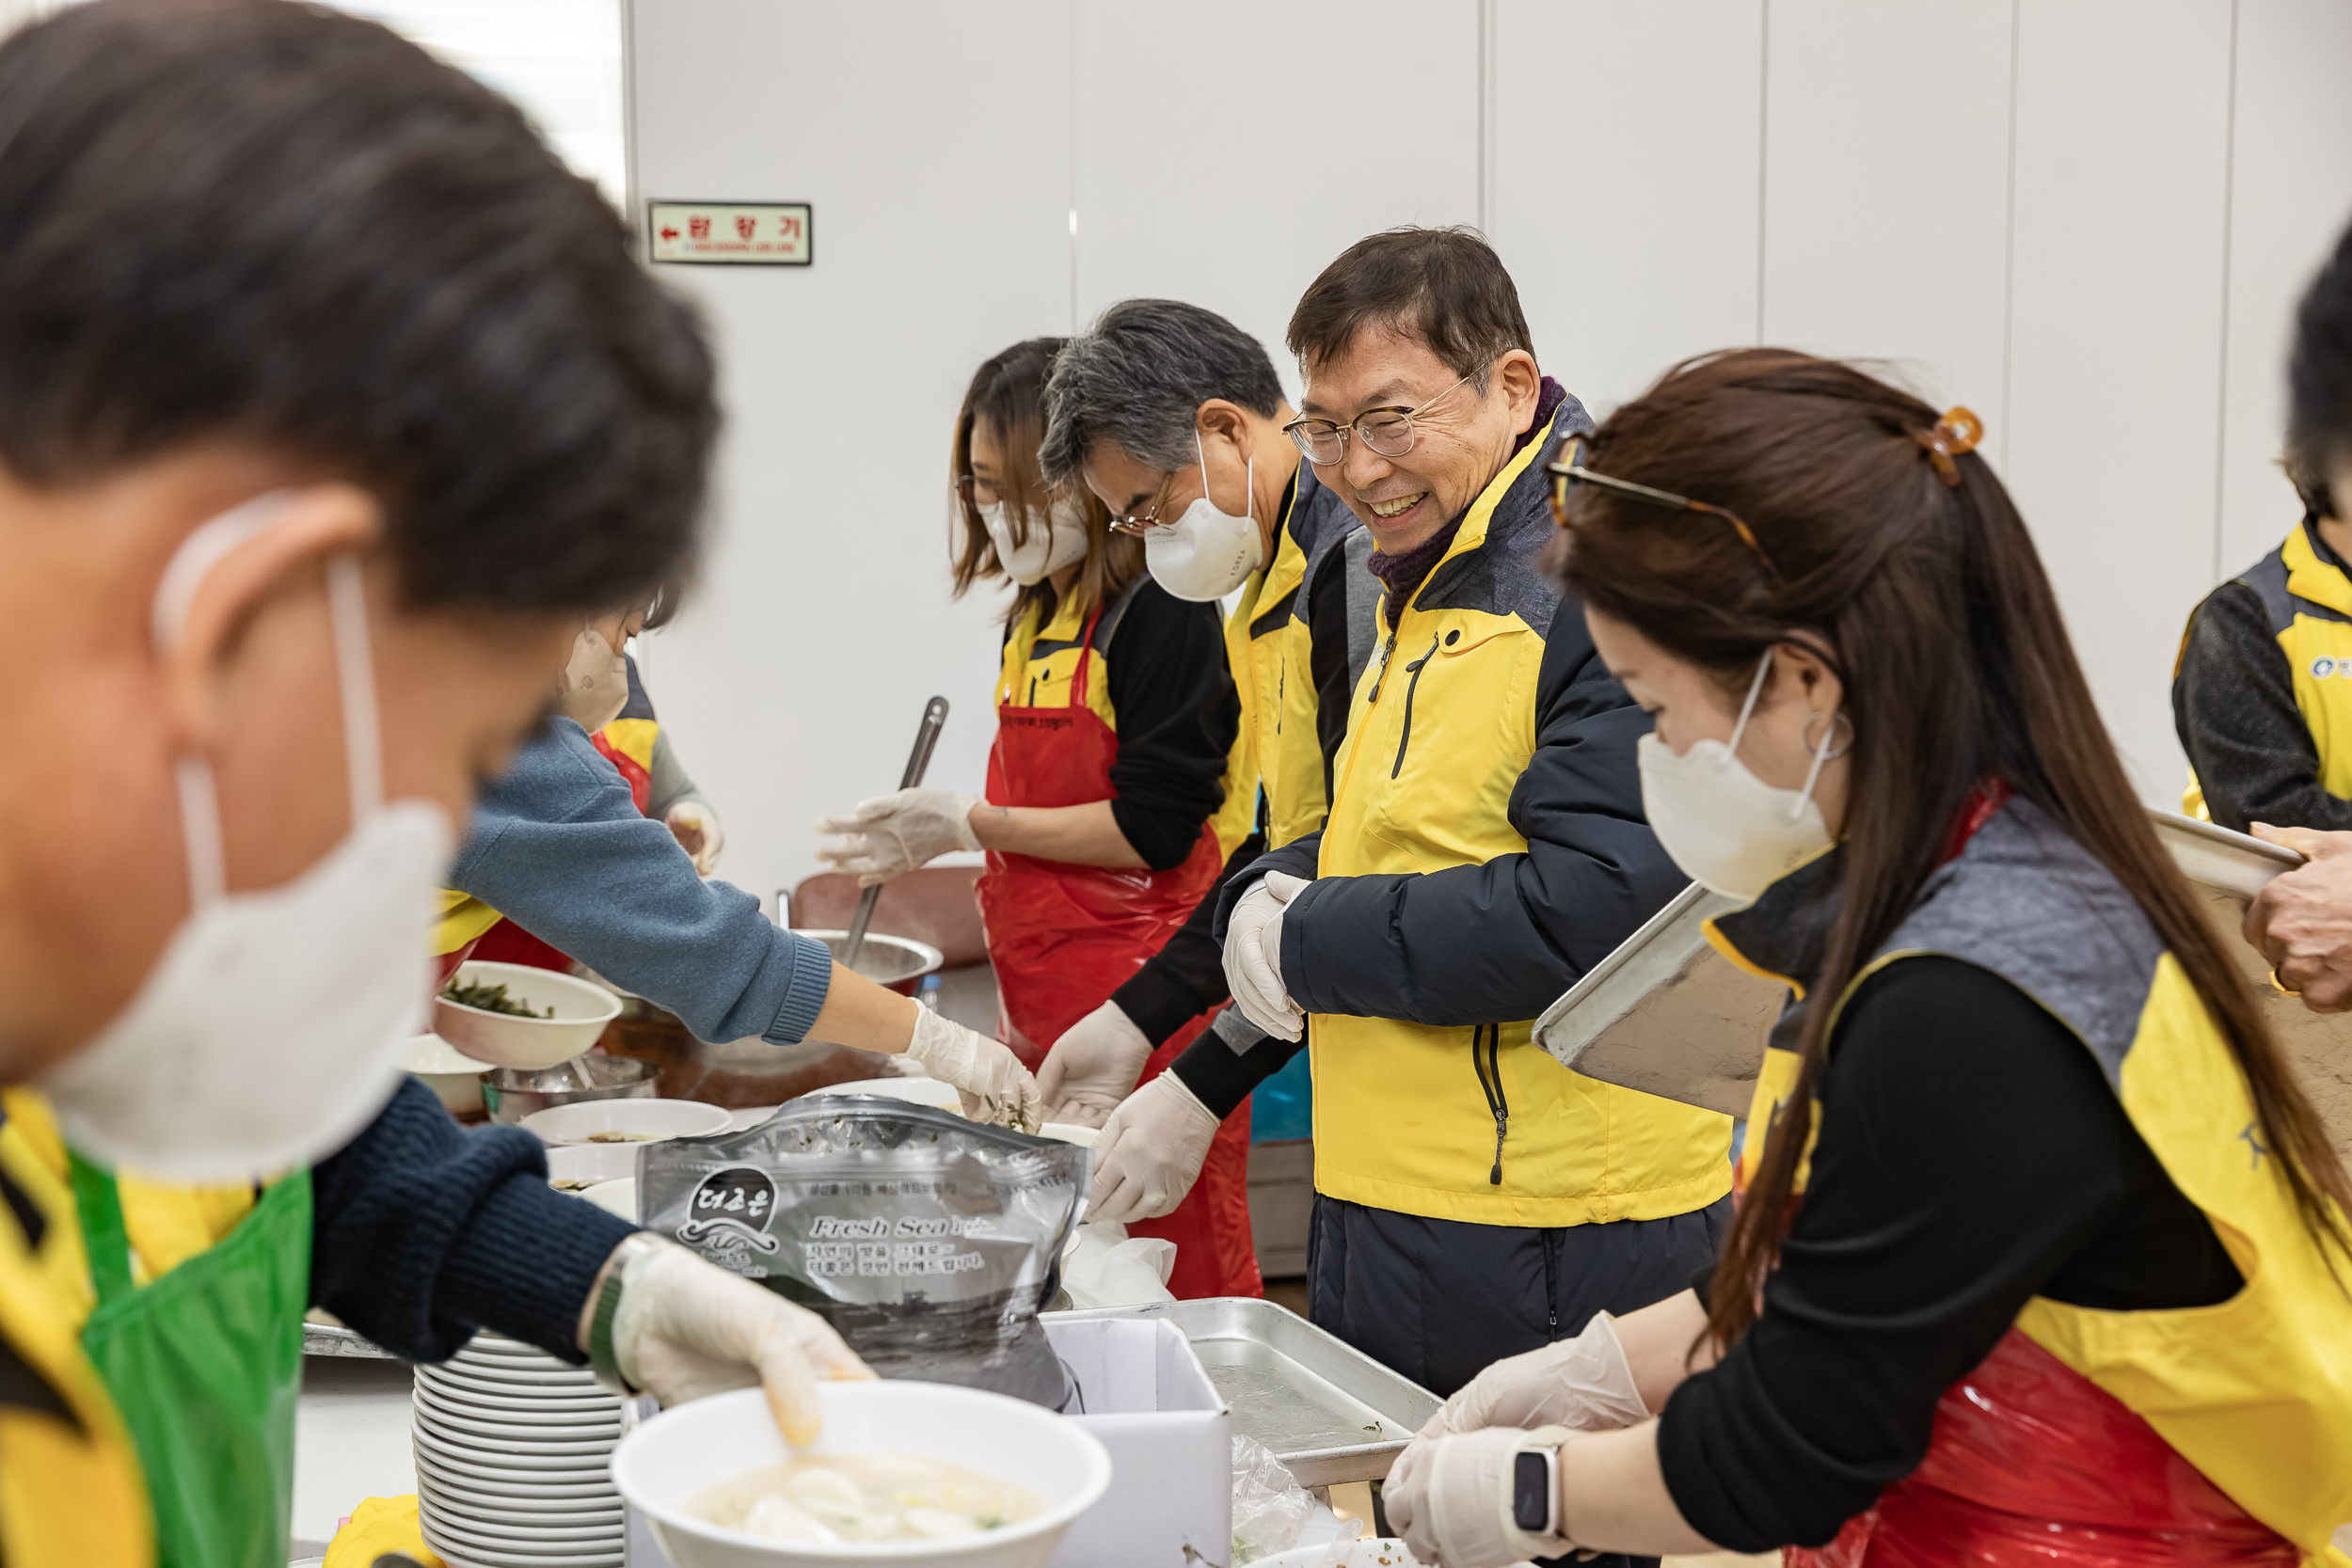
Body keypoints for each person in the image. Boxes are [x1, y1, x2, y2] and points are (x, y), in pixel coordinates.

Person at [0, 5, 869, 1562]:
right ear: (241, 624)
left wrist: (603, 1284)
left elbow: (264, 1148)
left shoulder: (105, 983)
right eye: (445, 767)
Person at [1382, 349, 2352, 1568]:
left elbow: (1785, 1450)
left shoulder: (1972, 991)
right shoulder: (1991, 872)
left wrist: (1527, 1492)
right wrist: (1603, 1368)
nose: (1654, 752)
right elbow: (1884, 1257)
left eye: (1655, 706)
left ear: (1802, 679)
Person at [1212, 229, 1728, 1403]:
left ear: (1509, 384)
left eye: (1391, 420)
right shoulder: (1428, 563)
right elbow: (1405, 823)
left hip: (1554, 1221)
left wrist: (1305, 936)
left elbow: (1600, 909)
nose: (1355, 468)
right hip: (1405, 1193)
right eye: (1325, 429)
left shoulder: (1600, 575)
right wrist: (1269, 888)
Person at [814, 337, 1254, 1296]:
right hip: (1044, 997)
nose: (996, 509)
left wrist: (969, 825)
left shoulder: (1161, 610)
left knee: (1176, 1264)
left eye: (1019, 486)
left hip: (1149, 1002)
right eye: (978, 484)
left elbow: (1155, 830)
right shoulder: (1035, 612)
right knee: (1078, 1265)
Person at [1027, 298, 1376, 1231]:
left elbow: (1359, 861)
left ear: (1224, 430)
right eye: (1127, 523)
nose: (1148, 539)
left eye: (1149, 506)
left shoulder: (1353, 563)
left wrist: (1200, 1084)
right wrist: (1134, 1018)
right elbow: (1285, 842)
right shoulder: (1268, 586)